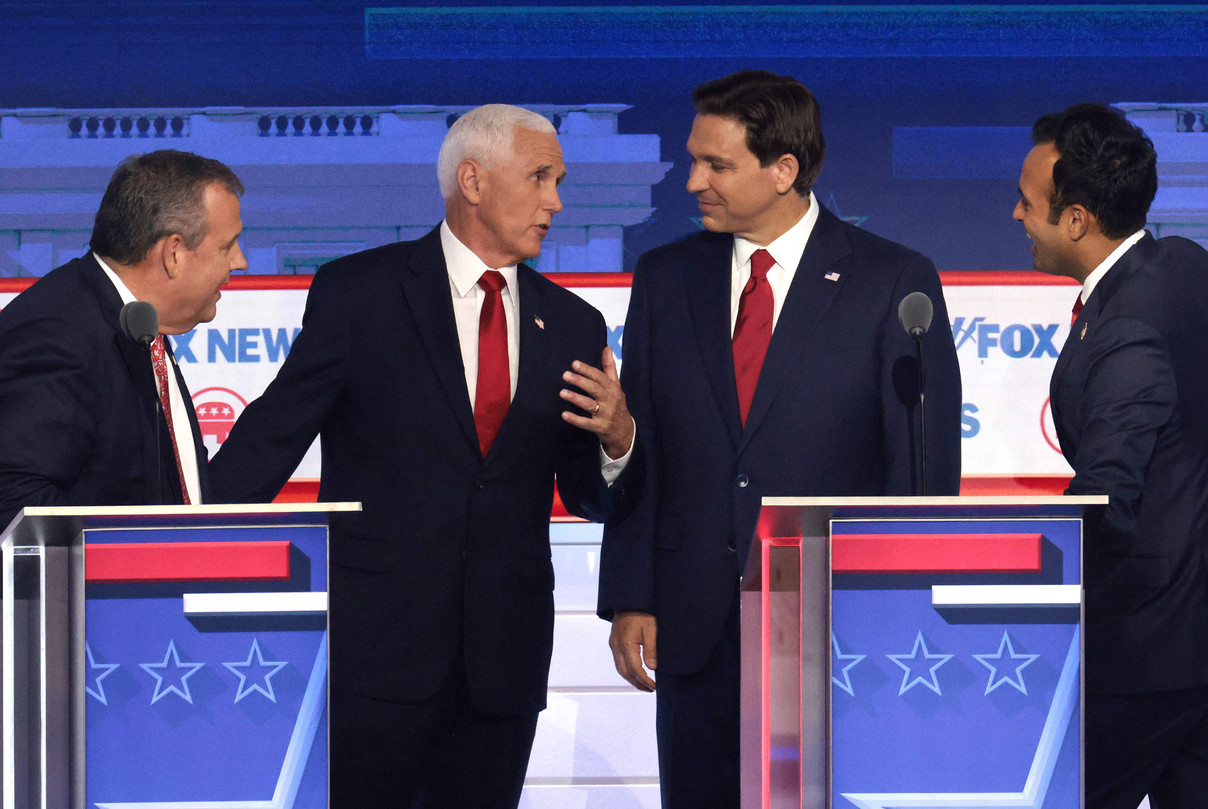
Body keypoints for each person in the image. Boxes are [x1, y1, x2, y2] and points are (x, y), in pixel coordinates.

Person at [208, 104, 634, 809]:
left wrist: (619, 440)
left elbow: (587, 492)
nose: (556, 200)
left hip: (504, 658)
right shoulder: (359, 293)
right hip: (377, 650)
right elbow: (272, 437)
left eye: (558, 180)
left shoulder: (572, 324)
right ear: (472, 180)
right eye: (539, 177)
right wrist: (167, 535)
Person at [598, 70, 961, 809]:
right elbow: (648, 441)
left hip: (833, 628)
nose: (692, 180)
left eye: (717, 165)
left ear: (784, 170)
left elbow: (919, 465)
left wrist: (895, 608)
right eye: (694, 158)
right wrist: (631, 593)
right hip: (694, 624)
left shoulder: (892, 279)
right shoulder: (665, 278)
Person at [1014, 103, 1208, 809]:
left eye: (1027, 201)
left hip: (1152, 649)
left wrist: (1020, 569)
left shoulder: (1127, 327)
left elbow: (1109, 493)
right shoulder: (1185, 264)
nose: (1015, 214)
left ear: (1076, 218)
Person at [0, 150, 246, 529]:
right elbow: (15, 500)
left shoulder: (135, 323)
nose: (239, 262)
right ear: (174, 253)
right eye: (227, 246)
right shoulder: (58, 333)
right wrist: (123, 571)